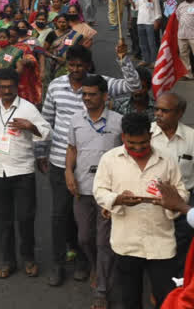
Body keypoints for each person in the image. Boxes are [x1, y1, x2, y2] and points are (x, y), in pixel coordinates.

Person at [41, 42, 141, 287]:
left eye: (80, 65)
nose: (75, 69)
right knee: (58, 215)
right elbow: (46, 120)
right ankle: (58, 264)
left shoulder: (100, 83)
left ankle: (86, 263)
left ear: (88, 66)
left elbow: (134, 87)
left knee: (86, 219)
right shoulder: (55, 86)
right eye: (71, 65)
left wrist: (123, 59)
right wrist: (40, 152)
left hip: (96, 166)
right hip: (59, 161)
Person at [93, 112, 186, 308]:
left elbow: (182, 193)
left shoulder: (167, 160)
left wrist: (171, 201)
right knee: (128, 299)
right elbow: (99, 190)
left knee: (166, 299)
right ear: (123, 137)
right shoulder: (110, 159)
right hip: (125, 242)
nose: (138, 148)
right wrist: (117, 199)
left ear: (150, 136)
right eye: (131, 144)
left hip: (161, 243)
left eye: (143, 143)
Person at [0, 68, 51, 280]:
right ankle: (8, 261)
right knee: (3, 220)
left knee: (25, 218)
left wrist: (30, 126)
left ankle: (29, 258)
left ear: (17, 86)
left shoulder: (28, 108)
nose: (6, 90)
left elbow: (47, 132)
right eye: (2, 87)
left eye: (10, 87)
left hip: (22, 171)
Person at [64, 75, 123, 308]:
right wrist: (68, 171)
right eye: (84, 94)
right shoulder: (76, 119)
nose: (87, 98)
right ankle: (98, 266)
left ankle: (102, 289)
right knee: (84, 238)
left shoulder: (119, 121)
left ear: (105, 96)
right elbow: (71, 148)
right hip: (82, 188)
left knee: (103, 241)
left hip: (108, 192)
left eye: (92, 94)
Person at [150, 92, 194, 273]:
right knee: (155, 245)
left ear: (180, 112)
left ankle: (176, 285)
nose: (158, 114)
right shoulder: (147, 134)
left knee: (181, 245)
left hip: (184, 201)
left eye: (165, 110)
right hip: (152, 200)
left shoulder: (192, 138)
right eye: (157, 109)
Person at [136, 0, 163, 67]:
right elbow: (136, 8)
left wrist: (157, 20)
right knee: (142, 43)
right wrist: (132, 3)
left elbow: (157, 9)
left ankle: (154, 61)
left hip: (150, 22)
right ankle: (145, 59)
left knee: (152, 43)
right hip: (140, 21)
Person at [176, 0, 194, 79]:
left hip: (193, 35)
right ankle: (188, 74)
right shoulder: (181, 6)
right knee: (183, 55)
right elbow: (178, 17)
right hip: (182, 35)